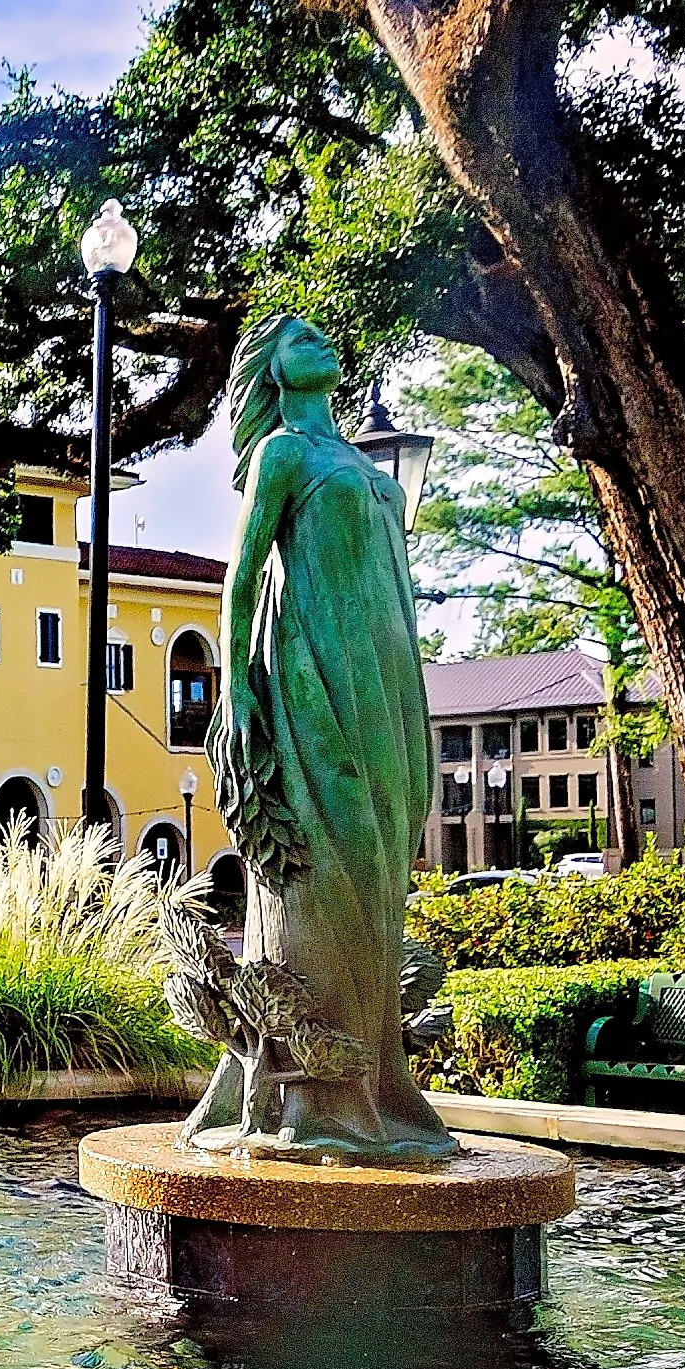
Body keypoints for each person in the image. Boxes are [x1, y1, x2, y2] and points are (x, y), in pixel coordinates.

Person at [186, 314, 457, 1161]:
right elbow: (242, 572)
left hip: (383, 675)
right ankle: (310, 1096)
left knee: (383, 856)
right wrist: (235, 692)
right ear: (272, 370)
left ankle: (377, 1079)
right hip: (311, 670)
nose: (325, 342)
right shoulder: (284, 455)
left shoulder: (363, 467)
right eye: (300, 339)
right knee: (327, 855)